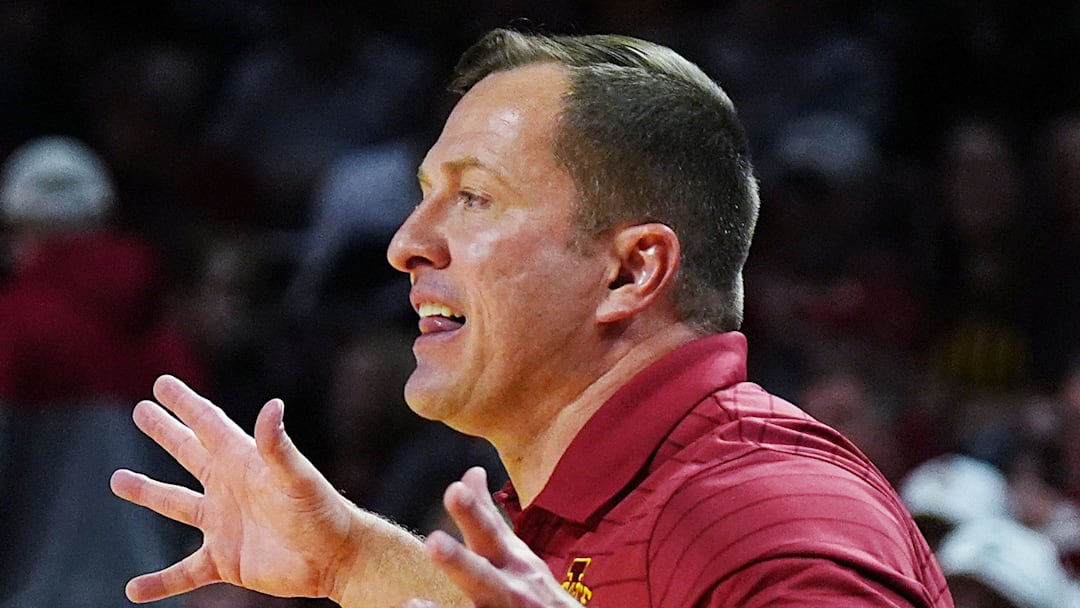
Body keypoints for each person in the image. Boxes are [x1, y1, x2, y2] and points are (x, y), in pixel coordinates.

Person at [111, 28, 953, 607]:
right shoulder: (582, 510)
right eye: (423, 195)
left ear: (631, 270)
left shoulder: (762, 511)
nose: (407, 242)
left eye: (474, 198)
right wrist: (350, 560)